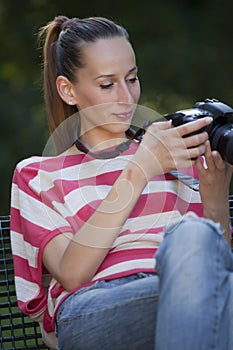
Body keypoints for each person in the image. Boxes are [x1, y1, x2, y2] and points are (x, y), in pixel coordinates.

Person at [10, 15, 233, 350]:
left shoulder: (176, 158)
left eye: (132, 79)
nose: (127, 97)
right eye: (107, 84)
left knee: (196, 239)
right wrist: (140, 168)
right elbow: (73, 273)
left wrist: (215, 200)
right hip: (99, 305)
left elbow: (217, 264)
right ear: (68, 90)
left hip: (190, 289)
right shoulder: (38, 174)